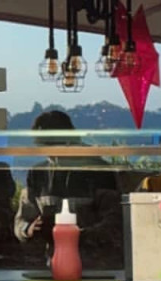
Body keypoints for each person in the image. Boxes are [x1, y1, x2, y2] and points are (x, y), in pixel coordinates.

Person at [14, 109, 122, 271]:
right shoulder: (38, 173)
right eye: (41, 146)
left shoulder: (99, 170)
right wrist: (29, 229)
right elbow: (22, 219)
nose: (47, 152)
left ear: (68, 139)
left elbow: (115, 222)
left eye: (49, 145)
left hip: (97, 266)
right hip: (54, 265)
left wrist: (78, 235)